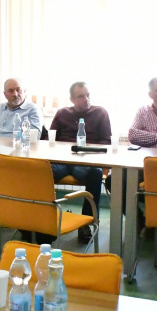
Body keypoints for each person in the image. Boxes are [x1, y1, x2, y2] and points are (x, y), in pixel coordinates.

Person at [48, 81, 111, 242]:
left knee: (95, 174)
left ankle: (86, 223)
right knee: (38, 171)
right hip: (61, 160)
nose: (86, 99)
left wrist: (89, 149)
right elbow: (51, 139)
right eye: (81, 96)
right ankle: (42, 221)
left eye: (88, 95)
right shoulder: (62, 113)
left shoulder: (100, 113)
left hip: (84, 162)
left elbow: (106, 142)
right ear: (72, 99)